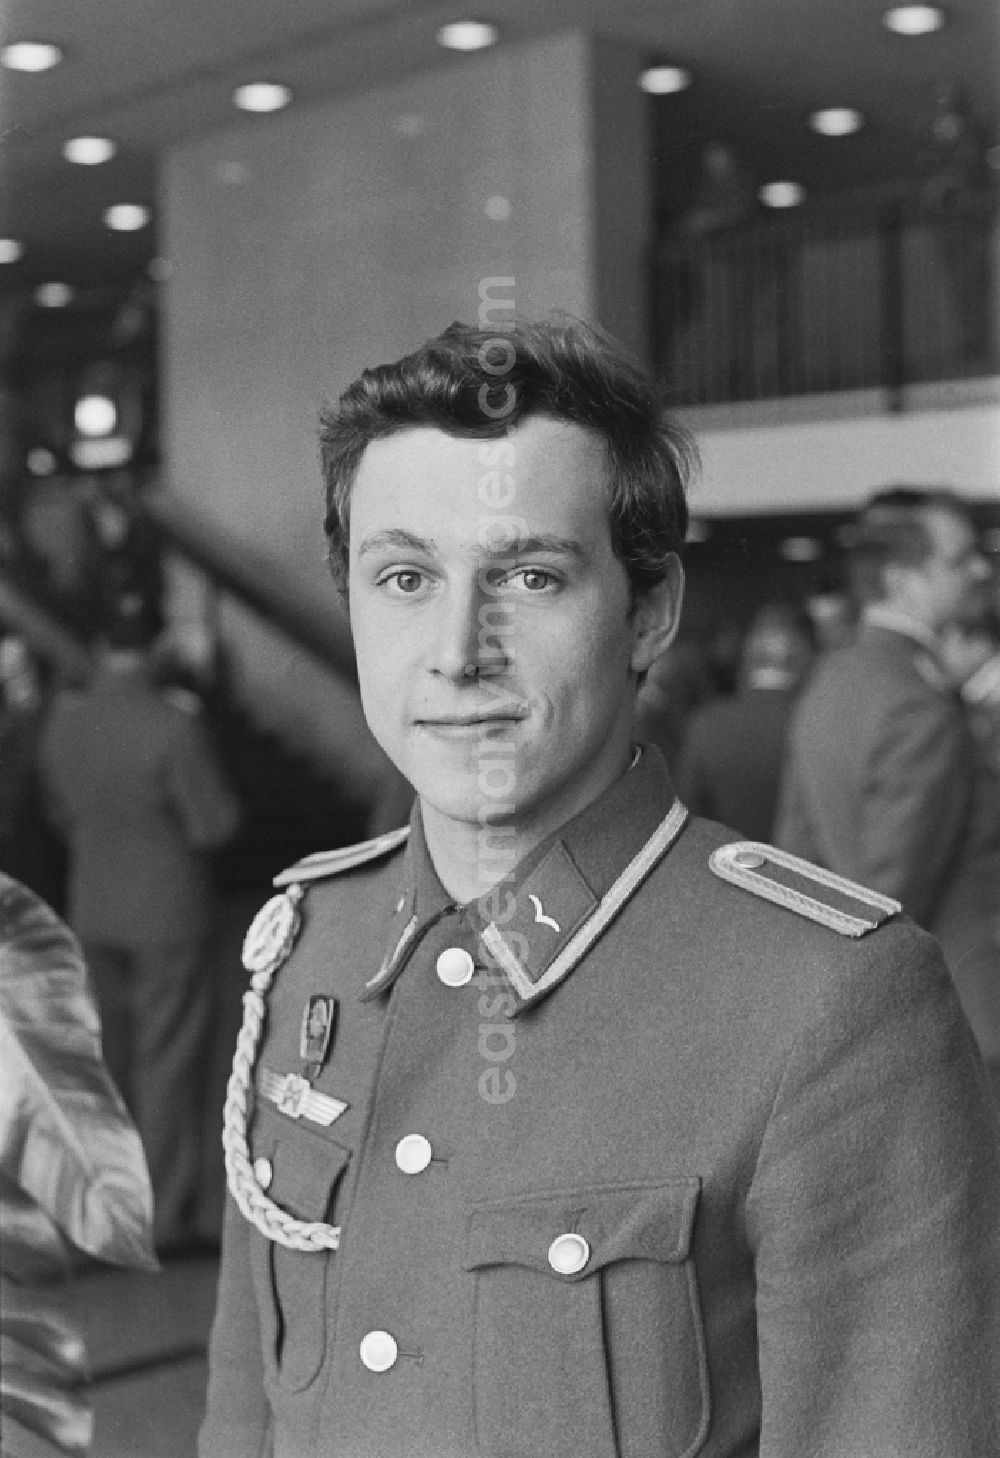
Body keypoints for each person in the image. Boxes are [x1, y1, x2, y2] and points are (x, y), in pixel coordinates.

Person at [201, 321, 1000, 1458]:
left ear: (649, 611)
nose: (455, 649)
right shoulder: (306, 945)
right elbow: (244, 1415)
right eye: (404, 577)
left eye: (528, 575)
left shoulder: (830, 1002)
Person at [776, 487, 1000, 1078]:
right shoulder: (914, 700)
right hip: (947, 1012)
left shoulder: (832, 678)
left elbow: (796, 848)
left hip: (854, 999)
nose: (979, 570)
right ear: (903, 581)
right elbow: (894, 893)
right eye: (957, 560)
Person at [39, 602, 241, 1251]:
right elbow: (215, 824)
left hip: (92, 904)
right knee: (170, 1062)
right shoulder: (171, 725)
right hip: (167, 910)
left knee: (106, 1064)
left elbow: (59, 815)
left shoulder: (64, 727)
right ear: (154, 647)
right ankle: (161, 1215)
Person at [675, 601, 816, 840]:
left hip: (724, 869)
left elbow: (686, 814)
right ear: (805, 656)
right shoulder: (816, 724)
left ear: (749, 656)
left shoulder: (707, 722)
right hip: (806, 873)